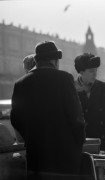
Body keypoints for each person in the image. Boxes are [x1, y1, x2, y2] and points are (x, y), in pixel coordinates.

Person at [10, 41, 85, 179]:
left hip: (37, 155)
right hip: (65, 154)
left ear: (37, 61)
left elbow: (15, 118)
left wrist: (31, 138)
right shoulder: (64, 79)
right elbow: (76, 116)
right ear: (55, 61)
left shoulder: (21, 83)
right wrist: (78, 143)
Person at [74, 53, 105, 151]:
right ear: (81, 72)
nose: (95, 74)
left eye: (96, 70)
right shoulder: (71, 89)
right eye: (91, 71)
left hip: (103, 143)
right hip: (80, 144)